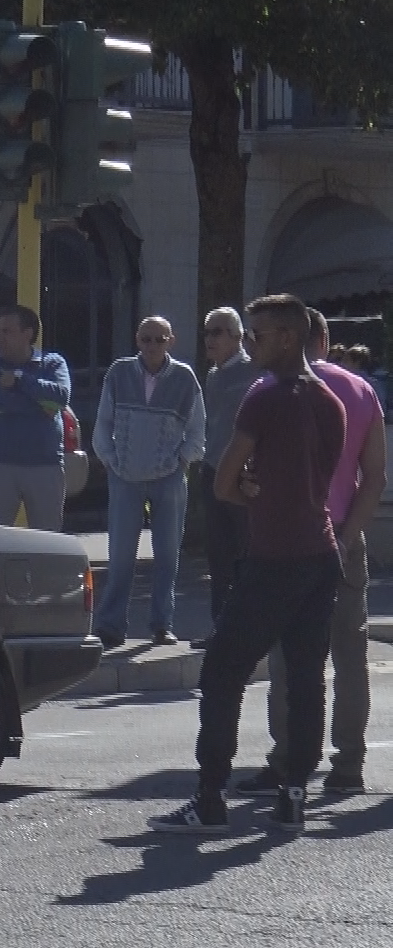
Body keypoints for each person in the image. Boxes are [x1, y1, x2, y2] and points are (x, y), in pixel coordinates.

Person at [151, 295, 345, 835]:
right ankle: (294, 793)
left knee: (222, 671)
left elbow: (222, 482)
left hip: (273, 557)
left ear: (286, 338)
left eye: (257, 334)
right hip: (320, 553)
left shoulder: (264, 398)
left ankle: (209, 796)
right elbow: (321, 482)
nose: (249, 343)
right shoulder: (331, 401)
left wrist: (250, 491)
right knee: (306, 677)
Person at [235, 309, 386, 797]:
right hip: (342, 532)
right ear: (325, 338)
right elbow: (375, 477)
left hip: (289, 538)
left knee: (289, 656)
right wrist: (346, 537)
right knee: (349, 655)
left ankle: (286, 760)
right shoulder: (361, 391)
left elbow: (242, 470)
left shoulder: (267, 390)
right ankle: (349, 766)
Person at [91, 316, 205, 649]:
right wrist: (111, 458)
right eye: (145, 339)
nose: (152, 346)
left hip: (168, 478)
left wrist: (183, 460)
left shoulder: (185, 378)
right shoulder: (119, 372)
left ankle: (161, 624)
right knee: (120, 553)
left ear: (171, 341)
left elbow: (197, 428)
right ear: (137, 341)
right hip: (124, 477)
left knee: (167, 554)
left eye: (159, 339)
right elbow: (103, 421)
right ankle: (111, 625)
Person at [192, 307, 266, 650]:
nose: (210, 338)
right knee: (219, 556)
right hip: (212, 471)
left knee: (249, 554)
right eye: (207, 331)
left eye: (218, 331)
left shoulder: (255, 371)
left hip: (243, 475)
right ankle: (221, 629)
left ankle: (253, 628)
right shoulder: (212, 375)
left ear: (238, 338)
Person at [0, 305, 73, 530]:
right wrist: (40, 406)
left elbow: (60, 398)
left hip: (44, 466)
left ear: (27, 334)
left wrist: (20, 380)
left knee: (48, 542)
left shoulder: (53, 363)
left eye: (7, 331)